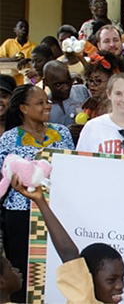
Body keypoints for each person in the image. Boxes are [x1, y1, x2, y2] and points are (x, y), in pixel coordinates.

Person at [0, 84, 74, 302]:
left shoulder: (62, 132)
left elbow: (71, 167)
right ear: (23, 108)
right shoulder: (9, 138)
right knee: (23, 267)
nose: (47, 106)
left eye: (47, 101)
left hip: (55, 211)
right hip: (20, 214)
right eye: (40, 103)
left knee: (55, 265)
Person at [12, 176, 124, 303]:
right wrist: (40, 201)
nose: (121, 286)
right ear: (86, 278)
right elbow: (68, 253)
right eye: (111, 280)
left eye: (122, 278)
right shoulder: (83, 300)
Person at [43, 60, 90, 126]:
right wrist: (66, 133)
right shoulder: (43, 107)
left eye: (68, 82)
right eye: (58, 84)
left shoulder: (81, 91)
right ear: (46, 82)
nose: (66, 88)